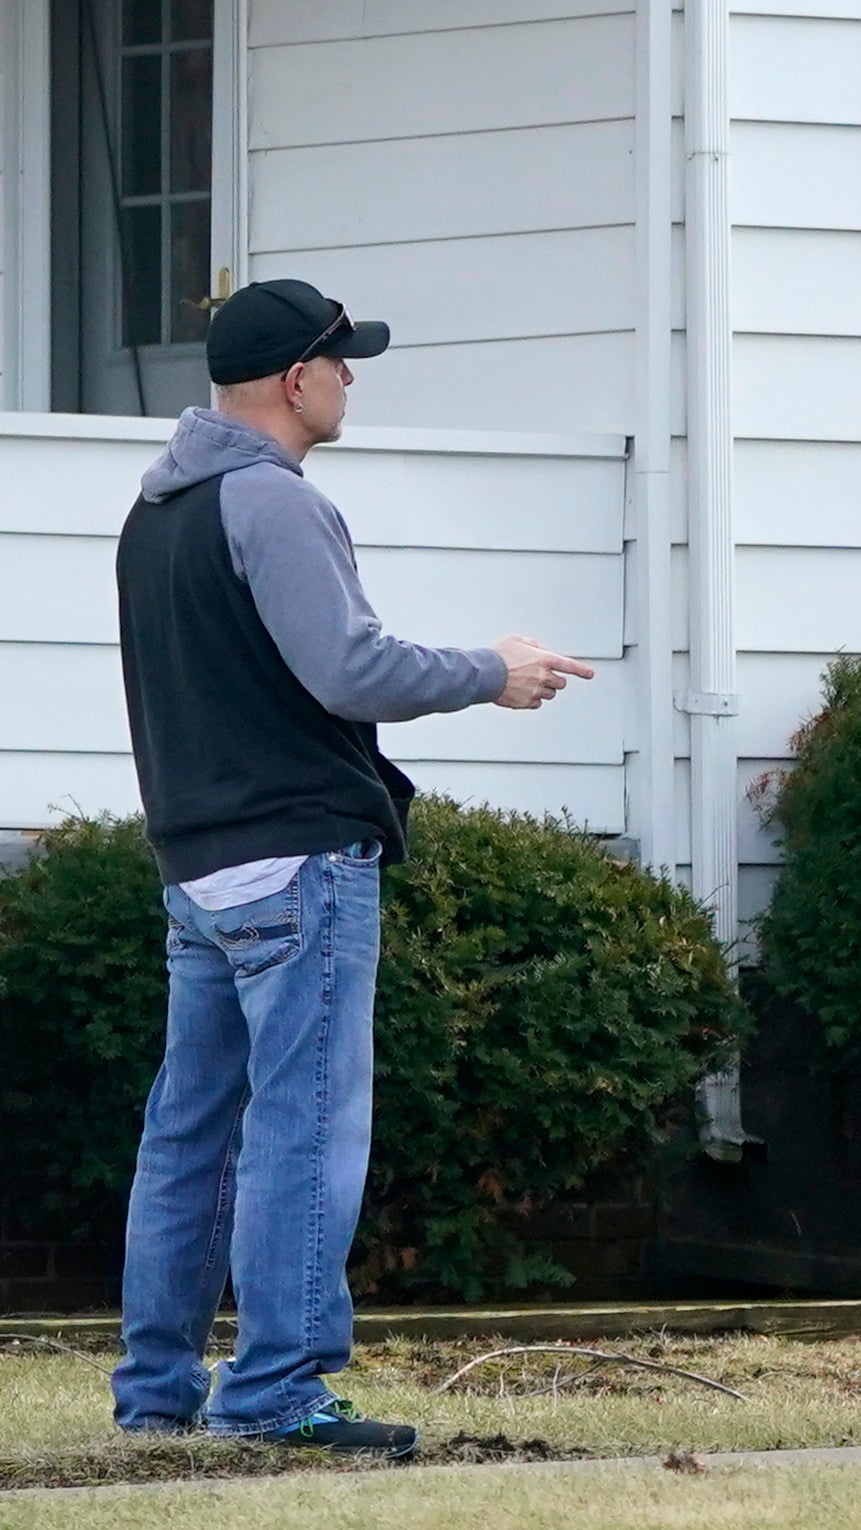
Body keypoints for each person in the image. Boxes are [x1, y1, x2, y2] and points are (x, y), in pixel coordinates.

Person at [108, 279, 593, 1454]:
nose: (352, 377)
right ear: (294, 379)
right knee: (303, 1124)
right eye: (341, 359)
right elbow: (349, 667)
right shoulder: (268, 501)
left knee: (190, 1130)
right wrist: (492, 667)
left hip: (199, 866)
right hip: (294, 862)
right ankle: (275, 1391)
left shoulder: (155, 512)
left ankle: (157, 1394)